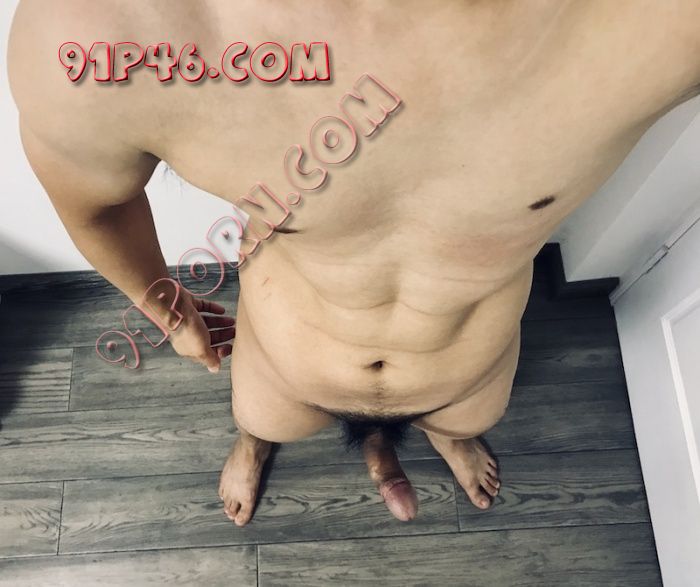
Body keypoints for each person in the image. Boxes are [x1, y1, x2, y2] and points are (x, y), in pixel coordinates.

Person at [8, 0, 700, 526]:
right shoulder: (108, 29)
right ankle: (255, 446)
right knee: (259, 422)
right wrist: (172, 316)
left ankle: (446, 437)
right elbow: (97, 206)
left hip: (466, 373)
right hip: (285, 372)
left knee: (462, 422)